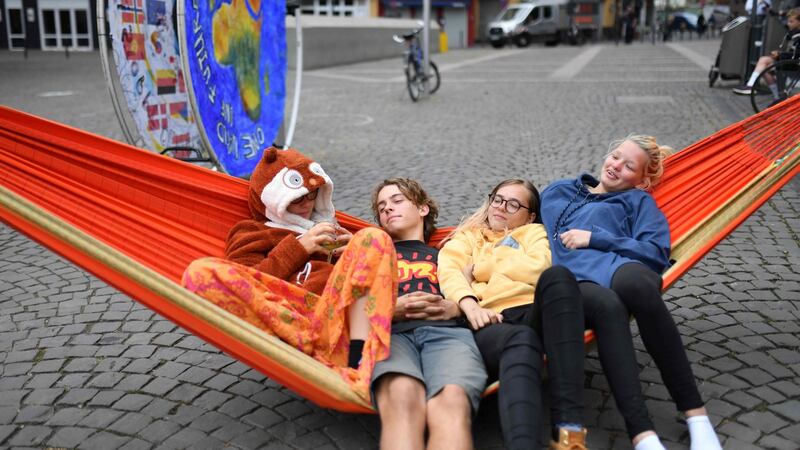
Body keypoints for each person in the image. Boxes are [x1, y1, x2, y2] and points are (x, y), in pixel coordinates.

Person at [540, 135, 723, 450]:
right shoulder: (560, 190)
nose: (616, 167)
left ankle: (697, 417)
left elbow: (655, 252)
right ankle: (644, 435)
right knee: (610, 302)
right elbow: (522, 221)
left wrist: (595, 238)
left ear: (642, 180)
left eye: (629, 167)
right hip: (575, 283)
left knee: (637, 285)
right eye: (616, 157)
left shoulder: (638, 202)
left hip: (619, 267)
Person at [182, 147, 397, 400]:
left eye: (312, 194)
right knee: (199, 273)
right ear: (276, 199)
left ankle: (358, 363)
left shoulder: (331, 229)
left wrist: (354, 253)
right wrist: (299, 247)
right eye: (297, 199)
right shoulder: (251, 232)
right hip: (287, 315)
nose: (307, 203)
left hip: (336, 319)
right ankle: (311, 344)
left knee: (374, 238)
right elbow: (246, 279)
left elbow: (369, 286)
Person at [438, 179, 588, 450]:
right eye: (498, 199)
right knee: (520, 339)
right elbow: (449, 273)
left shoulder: (534, 233)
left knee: (558, 276)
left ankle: (569, 428)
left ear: (529, 215)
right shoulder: (467, 237)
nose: (502, 207)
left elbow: (537, 267)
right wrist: (470, 304)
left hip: (533, 312)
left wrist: (478, 270)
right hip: (491, 319)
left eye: (514, 204)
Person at [370, 178, 487, 450]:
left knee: (451, 401)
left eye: (397, 200)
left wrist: (456, 306)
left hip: (448, 334)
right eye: (382, 207)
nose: (388, 208)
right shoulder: (371, 253)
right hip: (390, 334)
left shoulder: (450, 254)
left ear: (423, 209)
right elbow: (346, 303)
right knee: (402, 396)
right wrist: (389, 310)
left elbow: (485, 291)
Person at [733, 7, 800, 98]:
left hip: (794, 64)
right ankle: (777, 96)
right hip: (789, 61)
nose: (788, 24)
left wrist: (780, 55)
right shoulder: (793, 32)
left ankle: (750, 85)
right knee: (764, 69)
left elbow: (797, 55)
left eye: (791, 22)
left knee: (763, 61)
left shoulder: (798, 35)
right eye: (788, 21)